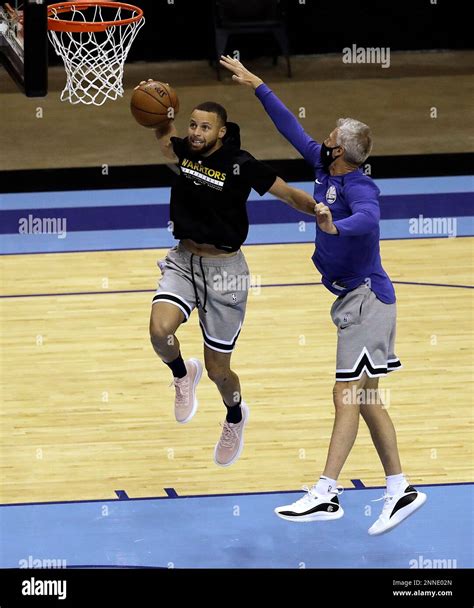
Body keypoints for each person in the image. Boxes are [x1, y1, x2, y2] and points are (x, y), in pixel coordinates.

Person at [220, 56, 426, 534]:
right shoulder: (323, 165)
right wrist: (258, 85)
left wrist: (337, 223)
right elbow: (291, 128)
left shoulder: (360, 186)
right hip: (354, 301)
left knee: (347, 394)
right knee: (369, 400)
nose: (322, 138)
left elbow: (371, 220)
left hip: (366, 300)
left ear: (340, 151)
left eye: (329, 136)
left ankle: (327, 492)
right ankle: (400, 489)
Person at [145, 84, 317, 467]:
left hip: (226, 274)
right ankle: (179, 373)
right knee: (160, 333)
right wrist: (159, 108)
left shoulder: (242, 165)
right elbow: (164, 140)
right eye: (192, 125)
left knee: (218, 371)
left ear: (221, 131)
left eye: (204, 127)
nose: (195, 132)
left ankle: (235, 416)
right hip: (183, 261)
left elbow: (288, 195)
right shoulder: (186, 153)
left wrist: (320, 211)